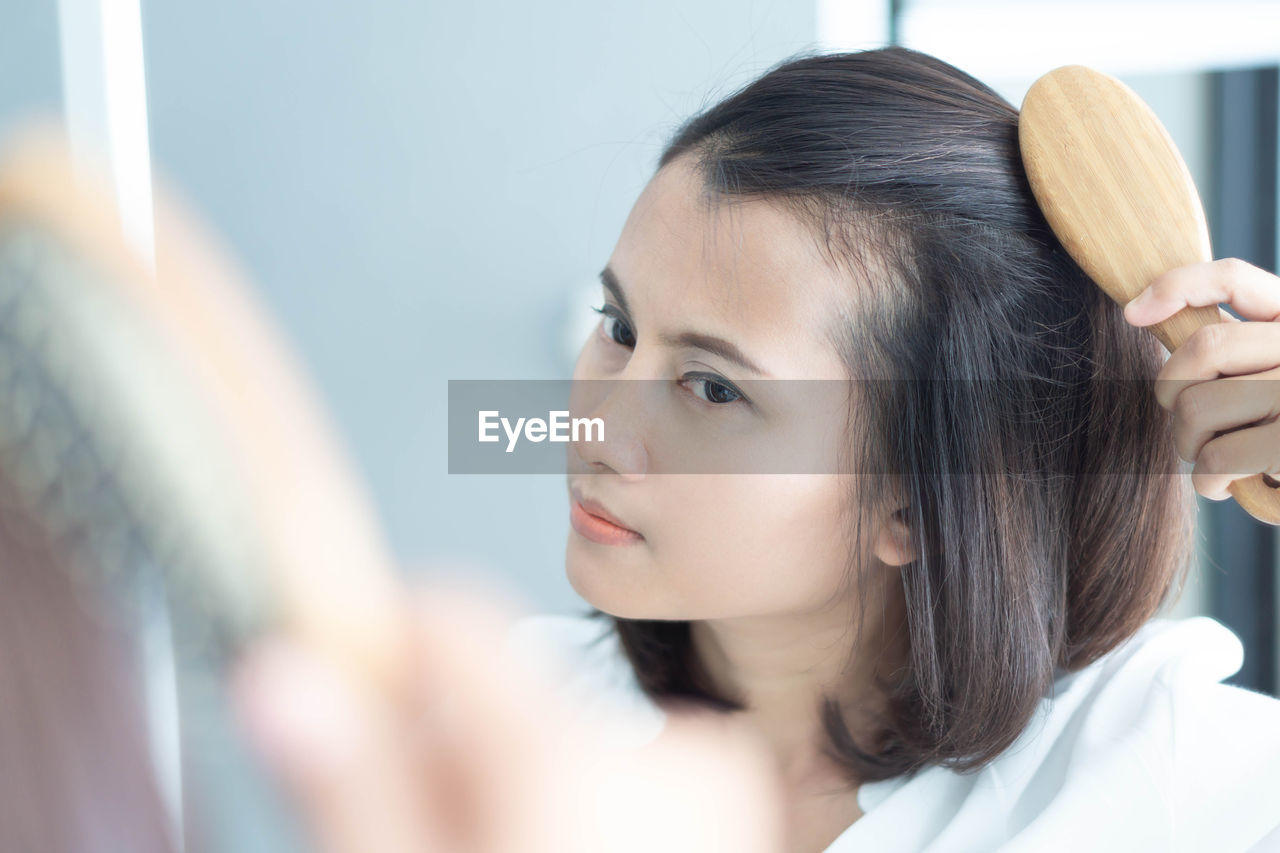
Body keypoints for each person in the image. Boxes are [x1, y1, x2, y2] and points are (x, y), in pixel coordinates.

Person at [233, 46, 1280, 852]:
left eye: (712, 386)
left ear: (918, 500)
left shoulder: (1164, 780)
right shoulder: (514, 734)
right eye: (619, 326)